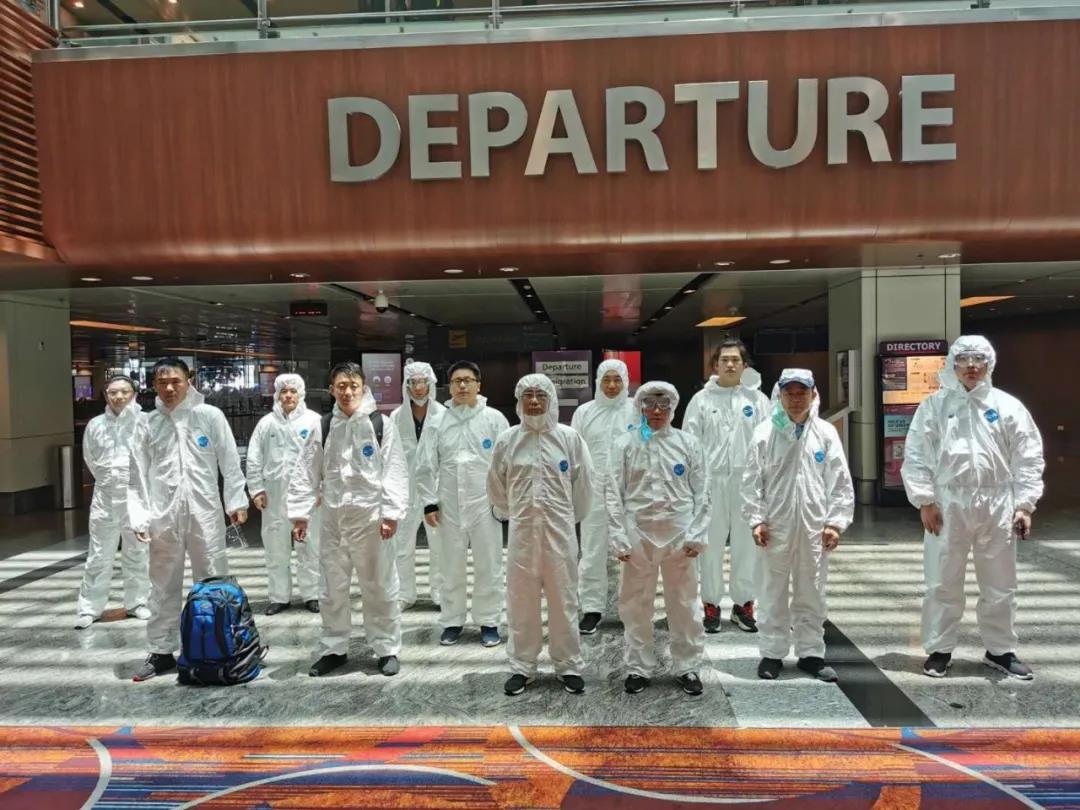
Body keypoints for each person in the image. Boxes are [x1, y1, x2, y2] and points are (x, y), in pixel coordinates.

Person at [901, 336, 1044, 680]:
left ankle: (1000, 649)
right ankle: (939, 649)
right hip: (947, 503)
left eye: (978, 359)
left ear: (989, 364)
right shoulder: (934, 406)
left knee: (1000, 582)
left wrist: (1024, 505)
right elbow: (917, 454)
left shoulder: (1007, 406)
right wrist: (925, 500)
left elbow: (1028, 457)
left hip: (997, 504)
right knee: (942, 579)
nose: (971, 366)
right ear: (953, 364)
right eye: (964, 359)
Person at [128, 358, 248, 682]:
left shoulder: (208, 416)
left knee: (213, 580)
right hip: (163, 514)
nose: (169, 388)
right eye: (162, 382)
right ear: (154, 385)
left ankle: (217, 646)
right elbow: (137, 475)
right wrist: (140, 516)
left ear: (189, 380)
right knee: (162, 584)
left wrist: (236, 500)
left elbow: (229, 460)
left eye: (175, 381)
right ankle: (161, 650)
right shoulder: (147, 423)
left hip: (204, 512)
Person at [289, 362, 410, 678]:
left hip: (371, 521)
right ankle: (334, 648)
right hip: (333, 521)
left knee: (380, 585)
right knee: (331, 588)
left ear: (363, 387)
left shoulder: (380, 424)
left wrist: (391, 513)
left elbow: (395, 470)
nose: (347, 392)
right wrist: (300, 515)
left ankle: (386, 648)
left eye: (353, 385)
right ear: (332, 390)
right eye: (341, 386)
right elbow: (306, 470)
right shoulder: (324, 426)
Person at [741, 369, 854, 683]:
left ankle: (811, 653)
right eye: (789, 393)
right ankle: (772, 653)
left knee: (812, 590)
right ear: (779, 395)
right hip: (775, 526)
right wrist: (757, 519)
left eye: (801, 392)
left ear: (813, 394)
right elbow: (751, 482)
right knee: (772, 590)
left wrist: (835, 522)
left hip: (813, 526)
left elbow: (840, 480)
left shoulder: (825, 433)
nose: (795, 399)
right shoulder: (765, 432)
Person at [488, 373, 594, 696]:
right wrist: (513, 514)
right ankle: (523, 666)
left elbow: (584, 485)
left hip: (561, 535)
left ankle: (568, 665)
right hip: (522, 536)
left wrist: (568, 519)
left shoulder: (569, 438)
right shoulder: (508, 440)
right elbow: (496, 485)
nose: (534, 401)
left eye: (540, 395)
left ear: (551, 400)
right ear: (519, 401)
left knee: (564, 600)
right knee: (521, 602)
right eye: (528, 395)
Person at [607, 381, 709, 696]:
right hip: (638, 535)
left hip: (680, 537)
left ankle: (688, 666)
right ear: (639, 406)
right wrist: (618, 534)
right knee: (635, 605)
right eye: (649, 403)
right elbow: (612, 492)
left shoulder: (688, 443)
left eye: (664, 404)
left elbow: (703, 491)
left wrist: (697, 533)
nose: (656, 411)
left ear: (673, 407)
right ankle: (638, 667)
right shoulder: (624, 444)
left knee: (685, 604)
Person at [415, 360, 510, 647]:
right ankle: (452, 620)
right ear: (450, 387)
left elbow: (507, 464)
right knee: (450, 564)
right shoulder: (437, 421)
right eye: (457, 381)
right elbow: (425, 465)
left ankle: (489, 621)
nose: (463, 385)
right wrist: (429, 502)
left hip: (485, 505)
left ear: (479, 385)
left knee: (489, 563)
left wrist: (505, 501)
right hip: (449, 505)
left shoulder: (494, 419)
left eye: (468, 380)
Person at [683, 339, 770, 634]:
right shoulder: (701, 400)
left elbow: (769, 442)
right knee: (710, 545)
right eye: (724, 360)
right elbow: (689, 444)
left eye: (735, 360)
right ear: (715, 365)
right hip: (712, 481)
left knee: (747, 546)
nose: (730, 364)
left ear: (745, 365)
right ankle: (710, 604)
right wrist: (693, 486)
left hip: (747, 481)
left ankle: (743, 604)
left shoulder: (757, 400)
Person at [74, 375, 150, 629]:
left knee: (137, 552)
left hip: (137, 496)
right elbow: (90, 458)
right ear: (106, 396)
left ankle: (138, 602)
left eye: (124, 392)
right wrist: (109, 481)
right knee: (99, 554)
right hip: (104, 497)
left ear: (134, 394)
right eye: (113, 392)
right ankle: (89, 608)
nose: (118, 397)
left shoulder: (145, 422)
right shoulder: (96, 425)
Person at [246, 373, 323, 616]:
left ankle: (312, 594)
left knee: (310, 545)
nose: (288, 395)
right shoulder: (266, 423)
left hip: (307, 494)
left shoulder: (314, 421)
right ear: (277, 395)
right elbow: (254, 457)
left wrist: (321, 489)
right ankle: (279, 596)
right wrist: (256, 489)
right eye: (284, 391)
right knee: (275, 546)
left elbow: (324, 457)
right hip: (274, 494)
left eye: (293, 391)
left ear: (301, 393)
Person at [570, 359, 636, 635]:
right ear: (598, 382)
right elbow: (574, 452)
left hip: (630, 492)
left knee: (632, 551)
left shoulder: (637, 410)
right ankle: (592, 608)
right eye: (606, 379)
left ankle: (631, 609)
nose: (611, 385)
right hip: (594, 489)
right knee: (592, 549)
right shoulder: (584, 413)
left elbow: (647, 446)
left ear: (625, 381)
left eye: (617, 380)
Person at [389, 362, 446, 610]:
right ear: (406, 385)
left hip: (436, 490)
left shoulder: (444, 415)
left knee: (439, 546)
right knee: (402, 546)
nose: (419, 388)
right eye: (414, 382)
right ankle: (405, 594)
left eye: (424, 382)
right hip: (405, 491)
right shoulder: (395, 417)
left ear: (431, 384)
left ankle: (440, 594)